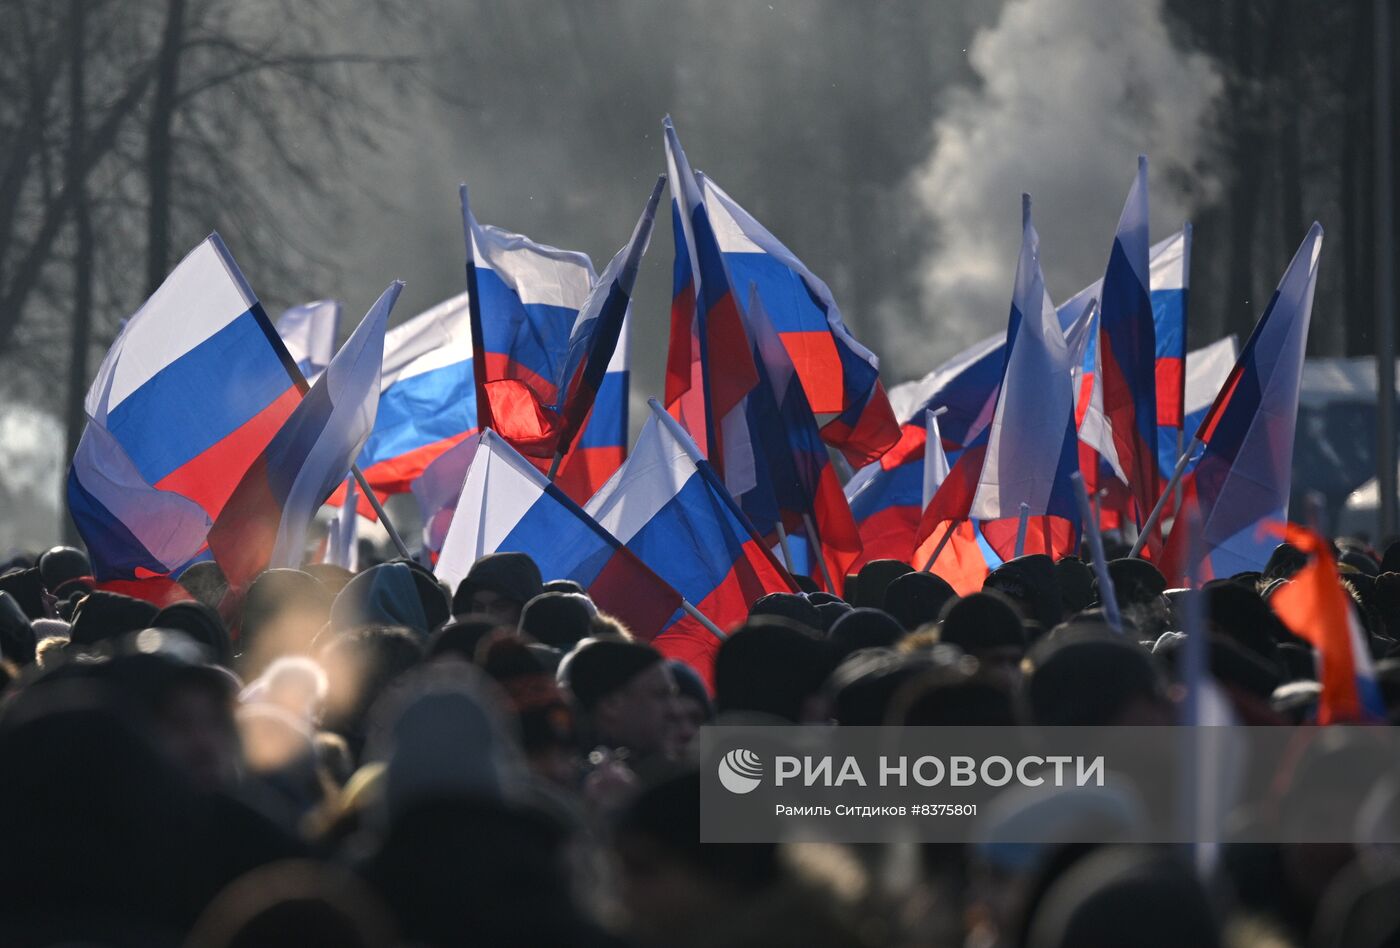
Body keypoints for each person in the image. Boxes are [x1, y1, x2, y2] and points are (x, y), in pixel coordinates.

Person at [560, 638, 679, 764]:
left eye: (673, 696)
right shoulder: (561, 777)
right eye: (660, 695)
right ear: (611, 705)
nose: (675, 711)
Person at [450, 551, 543, 626]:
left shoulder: (551, 649)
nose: (486, 616)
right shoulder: (453, 648)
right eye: (478, 608)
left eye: (500, 606)